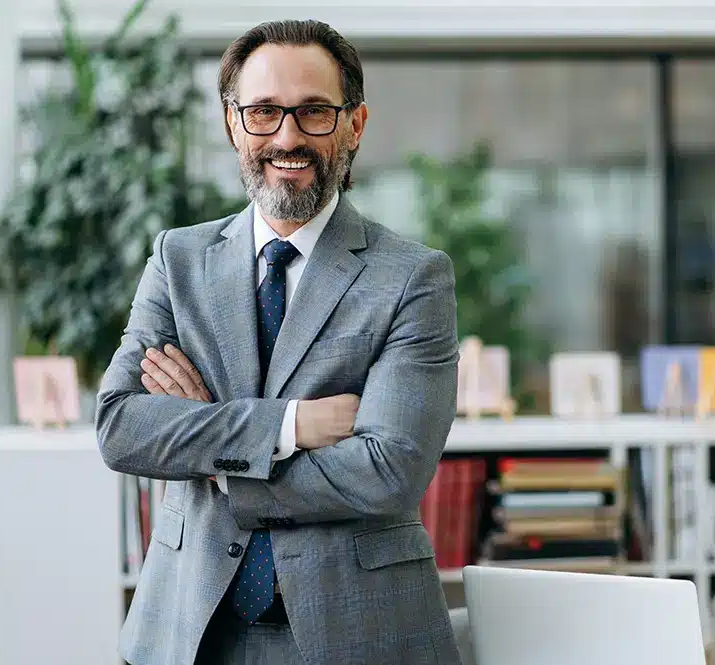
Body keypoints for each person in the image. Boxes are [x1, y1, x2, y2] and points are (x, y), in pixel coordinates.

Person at [95, 19, 463, 665]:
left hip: (358, 632)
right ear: (233, 122)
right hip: (187, 627)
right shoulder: (177, 259)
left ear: (355, 124)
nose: (287, 137)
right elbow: (122, 427)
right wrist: (291, 424)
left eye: (314, 111)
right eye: (264, 111)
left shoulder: (411, 276)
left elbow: (389, 471)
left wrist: (208, 450)